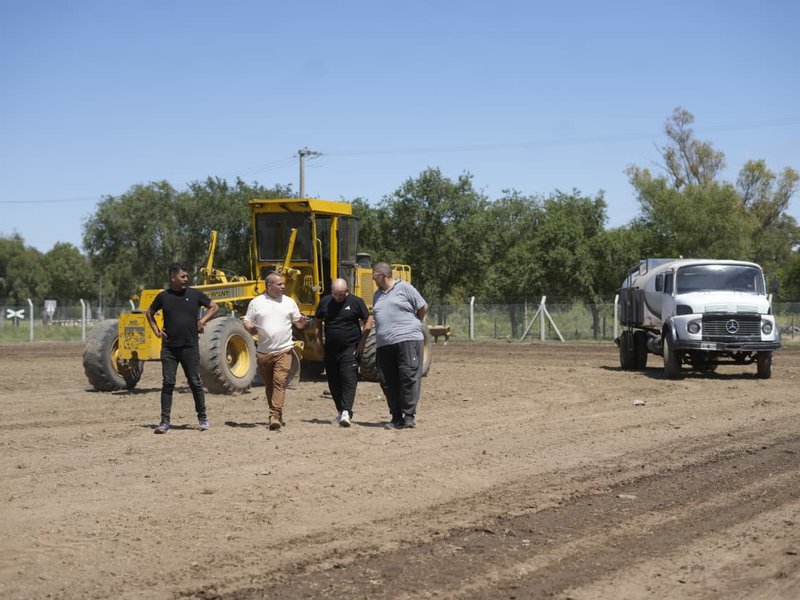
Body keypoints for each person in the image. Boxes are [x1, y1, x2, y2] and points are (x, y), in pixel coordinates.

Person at [146, 262, 218, 434]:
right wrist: (156, 330)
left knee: (195, 382)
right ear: (173, 278)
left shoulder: (194, 294)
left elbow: (214, 306)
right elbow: (149, 312)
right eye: (182, 276)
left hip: (189, 347)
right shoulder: (163, 296)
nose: (186, 279)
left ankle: (202, 419)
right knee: (168, 383)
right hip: (169, 348)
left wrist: (202, 320)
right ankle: (164, 422)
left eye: (186, 276)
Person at [359, 262, 427, 430]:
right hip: (384, 344)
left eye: (374, 276)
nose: (373, 279)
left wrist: (414, 323)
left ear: (382, 275)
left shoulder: (404, 288)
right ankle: (396, 417)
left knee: (408, 375)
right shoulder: (377, 295)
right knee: (387, 380)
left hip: (407, 339)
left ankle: (409, 416)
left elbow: (423, 307)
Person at [243, 271, 308, 431]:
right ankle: (278, 413)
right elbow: (247, 321)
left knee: (280, 382)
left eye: (283, 284)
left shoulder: (289, 302)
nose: (283, 287)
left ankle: (274, 416)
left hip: (284, 350)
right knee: (270, 386)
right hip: (264, 352)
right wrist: (250, 327)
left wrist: (302, 323)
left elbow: (298, 323)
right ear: (269, 286)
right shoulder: (256, 302)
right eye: (279, 284)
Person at [314, 278, 370, 427]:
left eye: (341, 295)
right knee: (333, 381)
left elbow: (368, 321)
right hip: (330, 350)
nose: (338, 298)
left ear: (347, 291)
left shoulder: (356, 302)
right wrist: (319, 342)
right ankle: (340, 410)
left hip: (350, 348)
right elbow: (317, 321)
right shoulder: (325, 302)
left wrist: (362, 343)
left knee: (348, 379)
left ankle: (346, 411)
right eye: (335, 294)